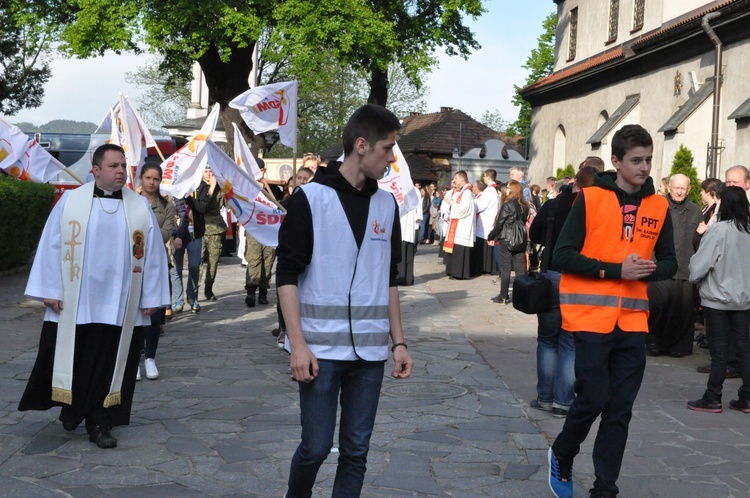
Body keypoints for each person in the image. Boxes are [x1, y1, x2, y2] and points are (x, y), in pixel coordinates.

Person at [277, 104, 413, 497]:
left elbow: (389, 277)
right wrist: (297, 345)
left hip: (370, 353)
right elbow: (285, 274)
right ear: (360, 145)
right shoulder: (310, 198)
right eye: (387, 149)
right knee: (316, 448)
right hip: (319, 349)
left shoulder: (387, 204)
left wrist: (399, 342)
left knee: (356, 450)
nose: (391, 158)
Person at [547, 124, 677, 498]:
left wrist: (648, 269)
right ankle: (562, 452)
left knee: (620, 409)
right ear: (616, 161)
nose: (644, 167)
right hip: (589, 320)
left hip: (633, 322)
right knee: (593, 399)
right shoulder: (589, 199)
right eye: (636, 160)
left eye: (649, 159)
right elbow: (561, 256)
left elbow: (670, 262)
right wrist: (616, 269)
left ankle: (605, 489)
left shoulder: (659, 205)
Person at [19, 144, 170, 449]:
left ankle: (100, 421)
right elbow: (52, 244)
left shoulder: (139, 208)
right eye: (113, 166)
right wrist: (50, 289)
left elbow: (152, 256)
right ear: (96, 170)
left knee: (108, 362)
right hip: (77, 300)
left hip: (120, 303)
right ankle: (73, 409)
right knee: (76, 358)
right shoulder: (71, 202)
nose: (120, 172)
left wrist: (152, 296)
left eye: (123, 166)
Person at [528, 166, 597, 419]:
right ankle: (563, 402)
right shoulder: (593, 208)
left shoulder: (555, 204)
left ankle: (545, 398)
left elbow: (534, 233)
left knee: (547, 339)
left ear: (575, 182)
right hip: (578, 278)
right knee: (569, 342)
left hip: (551, 275)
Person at [687, 186, 750, 414]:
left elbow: (701, 263)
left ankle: (713, 397)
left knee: (719, 350)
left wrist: (694, 277)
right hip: (744, 300)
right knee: (744, 348)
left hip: (717, 299)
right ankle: (747, 397)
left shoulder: (719, 230)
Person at [646, 174, 703, 358]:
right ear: (669, 188)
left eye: (683, 188)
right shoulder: (658, 206)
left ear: (689, 190)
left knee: (683, 311)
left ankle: (677, 346)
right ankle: (653, 342)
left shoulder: (695, 211)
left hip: (685, 266)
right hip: (660, 266)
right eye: (676, 188)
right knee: (658, 307)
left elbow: (699, 241)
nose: (679, 192)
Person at [137, 163, 176, 380]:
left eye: (156, 179)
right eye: (148, 178)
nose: (152, 182)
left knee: (153, 314)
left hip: (156, 263)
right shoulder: (130, 201)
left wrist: (141, 234)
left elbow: (165, 233)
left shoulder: (166, 205)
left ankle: (150, 358)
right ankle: (134, 357)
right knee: (132, 312)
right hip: (133, 263)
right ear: (141, 178)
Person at [186, 166, 227, 302]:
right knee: (198, 261)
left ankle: (209, 288)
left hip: (216, 227)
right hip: (200, 227)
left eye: (211, 172)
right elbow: (201, 207)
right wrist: (211, 188)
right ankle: (194, 291)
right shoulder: (197, 187)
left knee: (213, 261)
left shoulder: (219, 188)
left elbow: (229, 202)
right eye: (206, 171)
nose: (209, 174)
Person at [487, 180, 529, 304]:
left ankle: (504, 296)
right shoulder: (525, 205)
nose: (507, 189)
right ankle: (520, 297)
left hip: (506, 238)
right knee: (519, 268)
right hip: (520, 239)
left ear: (514, 189)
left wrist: (491, 236)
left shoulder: (507, 205)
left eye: (509, 187)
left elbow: (499, 224)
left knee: (506, 267)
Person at [171, 196, 202, 313]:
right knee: (175, 267)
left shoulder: (198, 187)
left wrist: (188, 197)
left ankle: (192, 296)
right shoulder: (171, 190)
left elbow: (202, 207)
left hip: (195, 233)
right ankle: (178, 301)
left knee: (194, 265)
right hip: (176, 234)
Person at [442, 171, 475, 279]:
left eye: (456, 178)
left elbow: (463, 210)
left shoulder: (467, 193)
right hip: (457, 225)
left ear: (462, 179)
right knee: (456, 249)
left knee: (459, 250)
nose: (454, 180)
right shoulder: (462, 192)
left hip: (462, 227)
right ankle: (453, 271)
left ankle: (459, 273)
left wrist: (451, 202)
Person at [471, 179, 499, 275]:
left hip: (486, 222)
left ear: (487, 177)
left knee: (485, 246)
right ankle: (487, 268)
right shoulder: (492, 190)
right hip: (488, 221)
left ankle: (486, 268)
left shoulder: (489, 191)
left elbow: (480, 206)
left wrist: (472, 205)